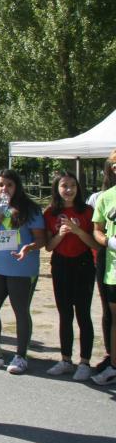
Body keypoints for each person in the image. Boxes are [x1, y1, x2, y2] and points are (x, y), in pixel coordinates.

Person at [0, 169, 45, 374]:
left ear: (17, 187)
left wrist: (28, 248)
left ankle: (21, 356)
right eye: (0, 185)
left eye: (9, 185)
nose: (4, 188)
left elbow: (41, 239)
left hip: (22, 269)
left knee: (20, 310)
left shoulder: (30, 210)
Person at [43, 171, 99, 380]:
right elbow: (49, 246)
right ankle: (66, 360)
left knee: (83, 313)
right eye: (64, 186)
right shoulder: (50, 213)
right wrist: (61, 234)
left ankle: (84, 362)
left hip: (83, 264)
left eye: (72, 186)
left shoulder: (87, 211)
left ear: (78, 188)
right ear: (57, 188)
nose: (68, 190)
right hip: (60, 264)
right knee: (64, 314)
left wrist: (77, 230)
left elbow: (94, 244)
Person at [88, 149, 116, 374]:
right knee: (113, 315)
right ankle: (112, 362)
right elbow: (96, 230)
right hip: (111, 267)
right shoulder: (105, 197)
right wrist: (108, 242)